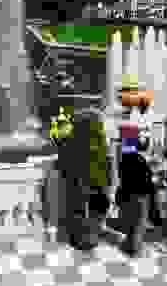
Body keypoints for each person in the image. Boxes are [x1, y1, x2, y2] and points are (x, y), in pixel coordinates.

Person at [58, 107, 112, 252]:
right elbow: (107, 161)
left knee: (78, 208)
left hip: (80, 181)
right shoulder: (99, 139)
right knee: (95, 208)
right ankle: (90, 238)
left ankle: (81, 238)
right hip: (95, 182)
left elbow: (64, 159)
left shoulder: (72, 140)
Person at [118, 119, 155, 257]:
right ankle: (135, 249)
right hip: (140, 195)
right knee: (139, 223)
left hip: (127, 193)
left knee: (130, 222)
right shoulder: (138, 159)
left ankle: (130, 245)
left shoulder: (125, 157)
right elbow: (147, 178)